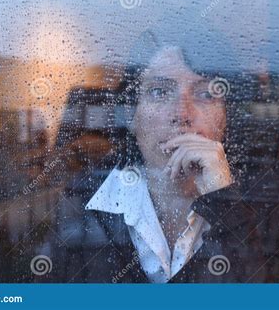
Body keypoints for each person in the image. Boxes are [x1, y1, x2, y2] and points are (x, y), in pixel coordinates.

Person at [38, 20, 266, 283]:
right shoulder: (83, 200)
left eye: (205, 94)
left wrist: (225, 204)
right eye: (159, 92)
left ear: (227, 117)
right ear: (132, 115)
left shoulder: (259, 201)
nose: (181, 114)